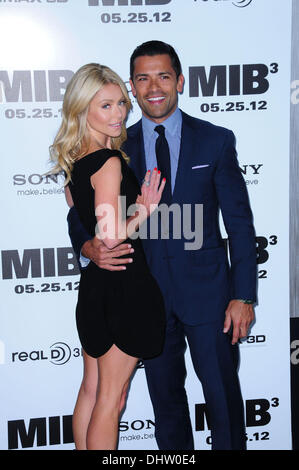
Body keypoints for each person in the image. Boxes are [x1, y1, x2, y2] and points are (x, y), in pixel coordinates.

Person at [66, 41, 257, 450]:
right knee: (166, 407)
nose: (154, 86)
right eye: (142, 78)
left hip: (209, 298)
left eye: (163, 76)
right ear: (132, 86)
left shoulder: (216, 140)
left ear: (180, 81)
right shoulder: (117, 144)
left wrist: (243, 295)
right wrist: (88, 247)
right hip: (145, 298)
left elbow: (240, 224)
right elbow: (78, 212)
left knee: (223, 402)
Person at [50, 63, 166, 450]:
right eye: (105, 106)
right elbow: (111, 234)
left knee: (91, 389)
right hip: (124, 287)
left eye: (121, 103)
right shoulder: (109, 161)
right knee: (110, 399)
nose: (118, 114)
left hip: (96, 288)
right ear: (83, 109)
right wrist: (145, 209)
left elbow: (77, 211)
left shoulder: (75, 164)